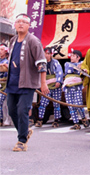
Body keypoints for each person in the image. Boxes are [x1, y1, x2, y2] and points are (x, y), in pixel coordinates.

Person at [6, 13, 49, 152]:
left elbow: (42, 63)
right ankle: (25, 131)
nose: (20, 24)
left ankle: (21, 140)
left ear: (29, 25)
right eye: (18, 21)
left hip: (27, 83)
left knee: (22, 110)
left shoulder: (33, 41)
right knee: (12, 111)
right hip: (12, 82)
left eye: (24, 22)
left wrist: (43, 83)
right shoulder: (12, 41)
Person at [35, 47, 63, 128]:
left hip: (55, 86)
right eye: (45, 53)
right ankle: (40, 119)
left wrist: (58, 81)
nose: (46, 55)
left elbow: (59, 72)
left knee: (56, 103)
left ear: (51, 54)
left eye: (48, 54)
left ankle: (56, 120)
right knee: (43, 103)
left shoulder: (55, 62)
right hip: (46, 86)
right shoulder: (42, 63)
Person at [63, 49, 90, 130]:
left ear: (78, 57)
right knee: (70, 105)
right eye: (71, 55)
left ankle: (83, 118)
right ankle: (76, 123)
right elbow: (70, 69)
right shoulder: (67, 63)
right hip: (68, 86)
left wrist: (83, 69)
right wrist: (79, 68)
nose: (71, 57)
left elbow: (83, 72)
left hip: (77, 86)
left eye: (74, 56)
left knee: (78, 104)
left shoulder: (82, 64)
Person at [0, 43, 9, 126]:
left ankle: (3, 119)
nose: (0, 51)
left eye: (2, 50)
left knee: (4, 103)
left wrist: (4, 65)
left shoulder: (7, 61)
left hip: (5, 85)